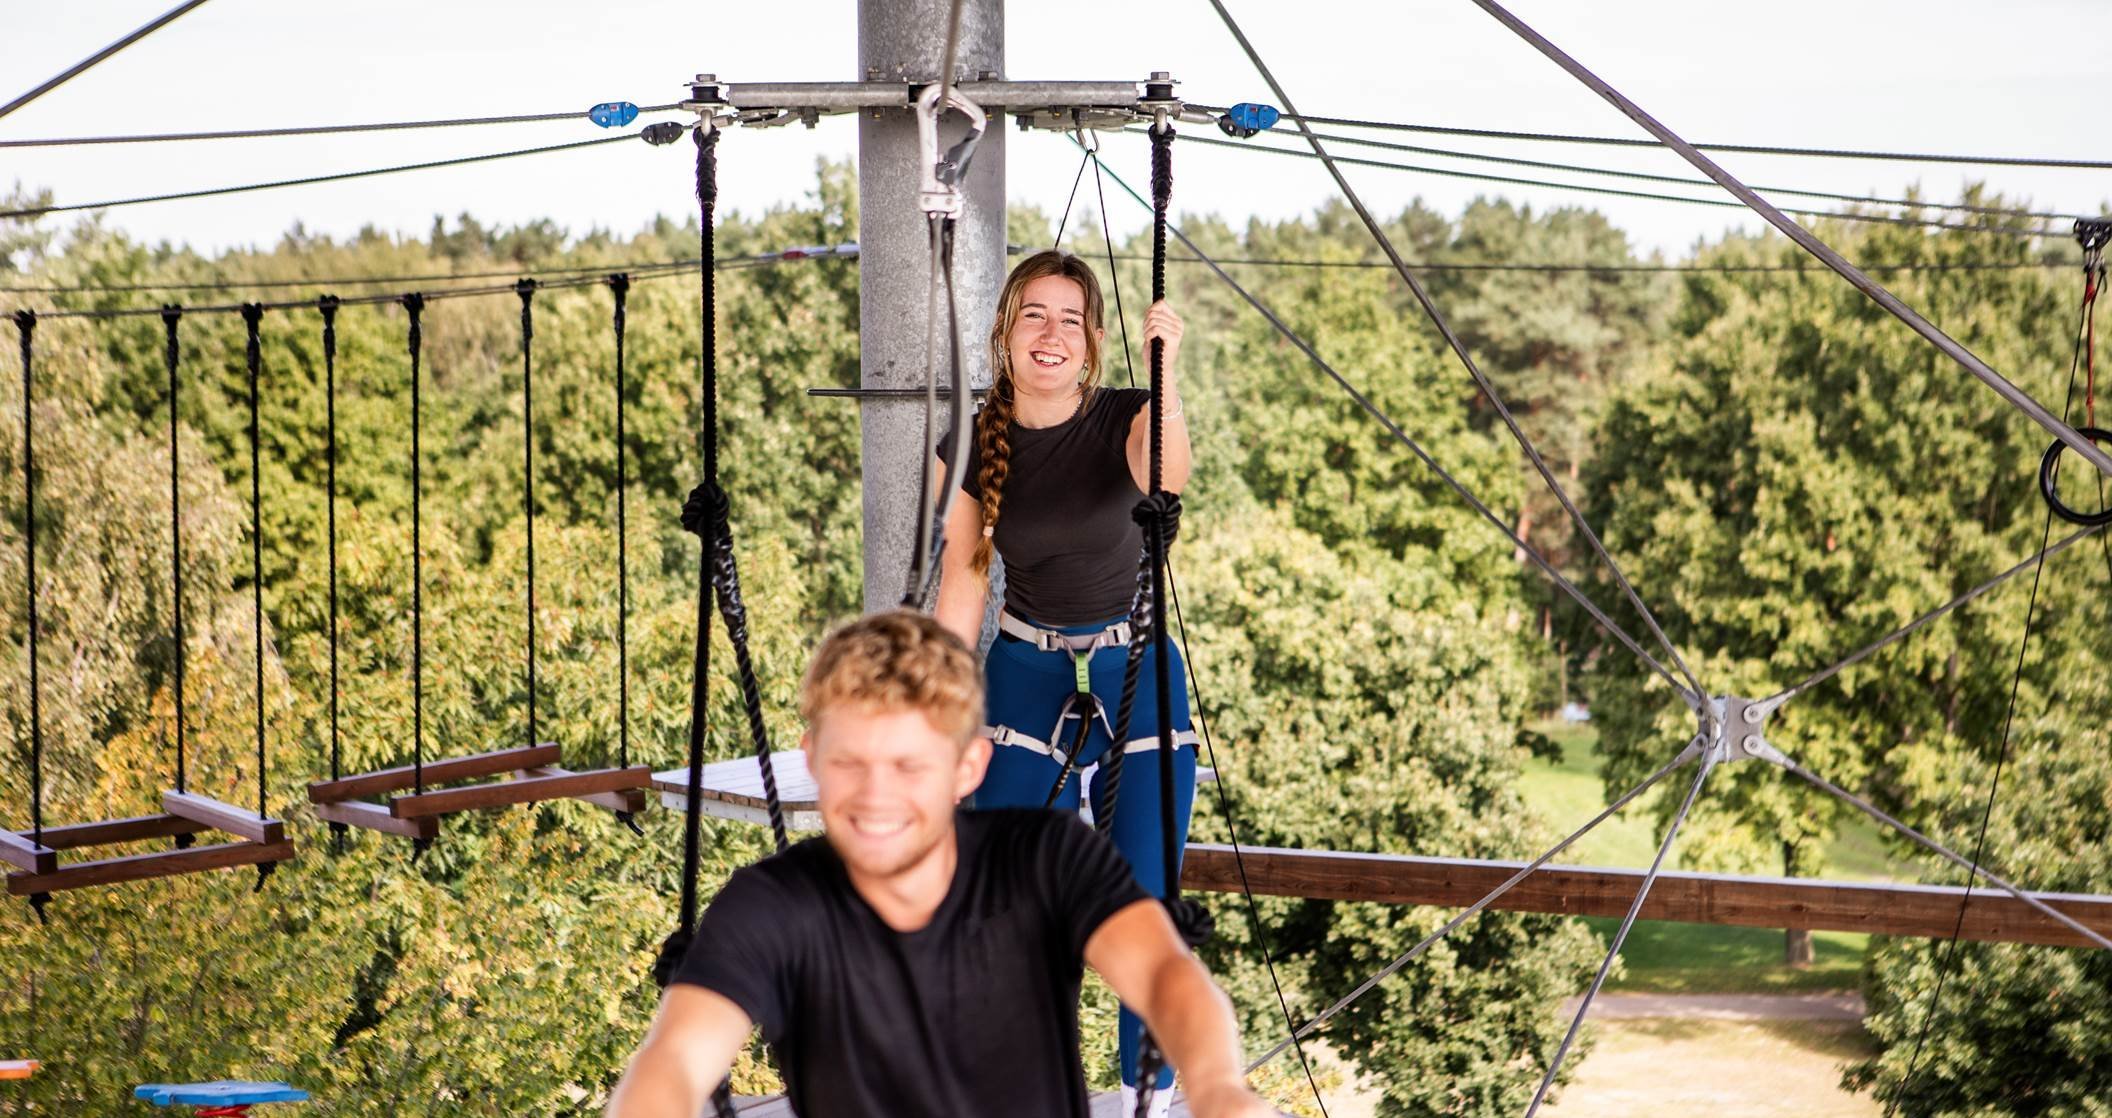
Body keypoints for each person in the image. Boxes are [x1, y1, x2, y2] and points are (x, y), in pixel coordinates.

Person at [607, 610, 1270, 1118]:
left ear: (967, 768)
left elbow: (1162, 975)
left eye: (908, 766)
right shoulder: (774, 904)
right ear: (810, 758)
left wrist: (1217, 1088)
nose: (876, 796)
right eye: (850, 763)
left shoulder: (1045, 858)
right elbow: (677, 1056)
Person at [933, 249, 1195, 1111]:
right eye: (1034, 315)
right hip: (1023, 666)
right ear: (1006, 332)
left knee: (1143, 897)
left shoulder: (1127, 415)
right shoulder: (971, 441)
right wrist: (934, 719)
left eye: (1070, 320)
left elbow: (1169, 476)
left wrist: (1166, 373)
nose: (1052, 334)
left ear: (1092, 345)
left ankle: (1140, 1100)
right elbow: (964, 582)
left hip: (1135, 663)